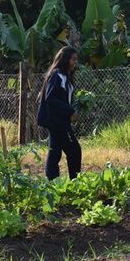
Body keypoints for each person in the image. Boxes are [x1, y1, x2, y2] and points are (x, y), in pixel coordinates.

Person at [37, 46, 82, 180]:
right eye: (73, 59)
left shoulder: (65, 76)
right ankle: (74, 180)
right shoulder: (57, 75)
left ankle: (53, 181)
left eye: (76, 60)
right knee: (74, 150)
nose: (75, 62)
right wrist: (70, 111)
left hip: (59, 120)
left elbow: (63, 98)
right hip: (57, 121)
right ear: (65, 59)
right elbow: (50, 97)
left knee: (55, 152)